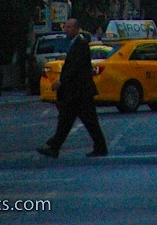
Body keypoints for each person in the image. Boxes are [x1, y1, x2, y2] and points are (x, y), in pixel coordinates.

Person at [38, 18, 107, 158]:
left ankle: (99, 147)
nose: (66, 30)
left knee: (87, 121)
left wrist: (61, 82)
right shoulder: (75, 43)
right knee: (66, 120)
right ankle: (54, 146)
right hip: (76, 92)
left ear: (76, 29)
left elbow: (75, 67)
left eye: (69, 27)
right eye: (66, 27)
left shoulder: (80, 44)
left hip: (80, 91)